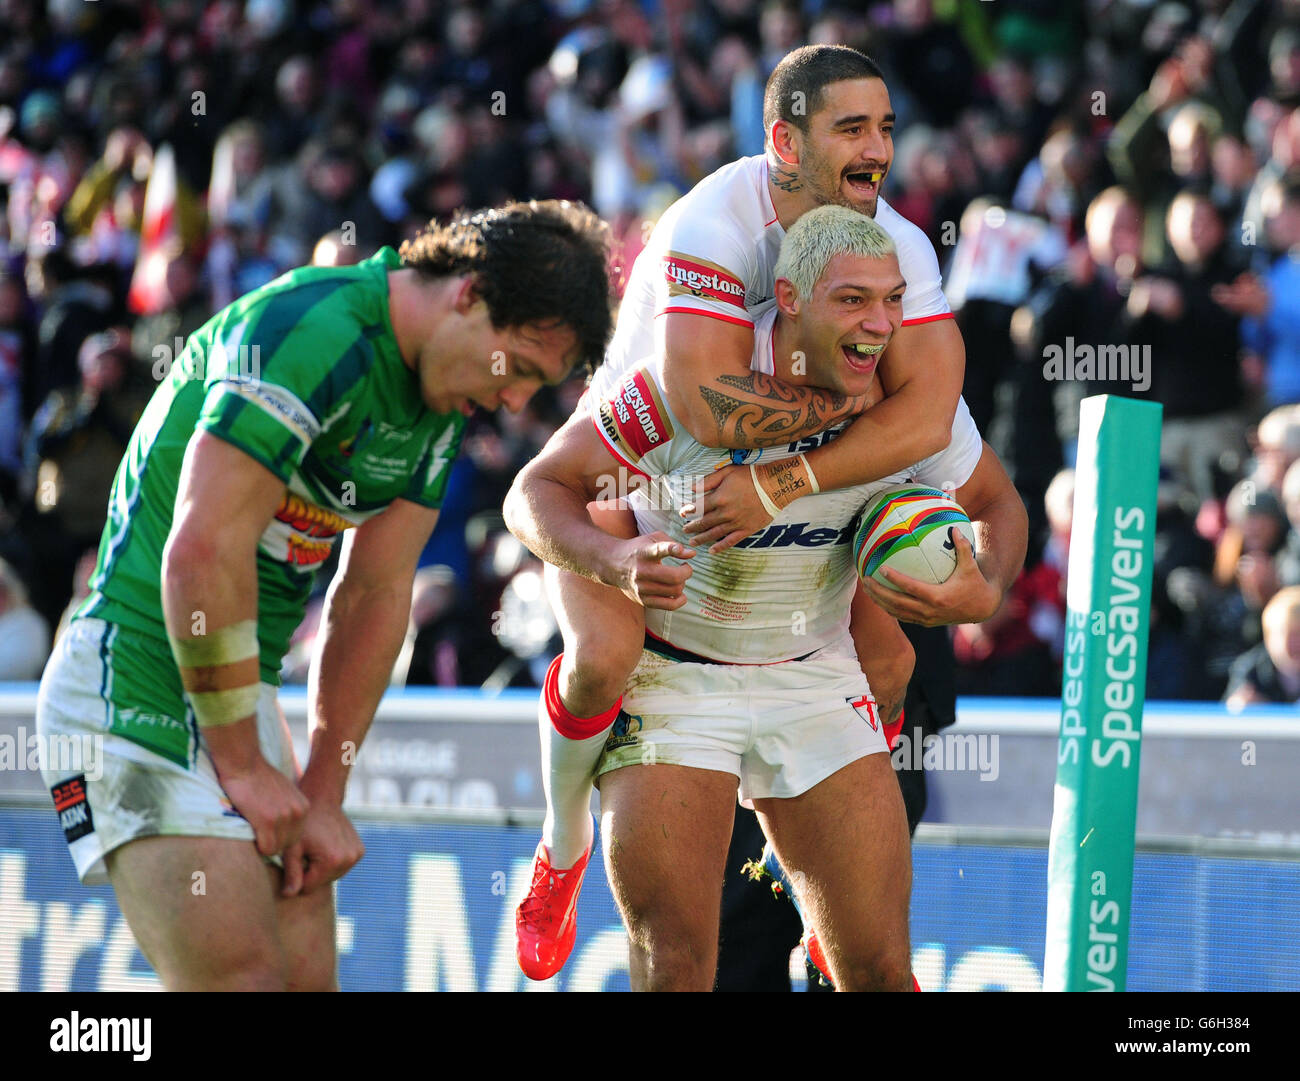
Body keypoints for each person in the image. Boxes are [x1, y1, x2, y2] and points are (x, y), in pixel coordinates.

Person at [35, 200, 612, 991]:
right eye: (519, 369)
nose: (514, 403)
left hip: (239, 698)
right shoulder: (317, 327)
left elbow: (374, 594)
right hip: (131, 681)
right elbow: (201, 550)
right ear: (469, 294)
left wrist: (322, 790)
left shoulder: (438, 409)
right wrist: (243, 766)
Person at [513, 43, 967, 981]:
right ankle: (561, 849)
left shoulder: (898, 250)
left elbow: (926, 416)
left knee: (890, 654)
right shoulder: (714, 224)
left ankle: (819, 883)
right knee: (603, 655)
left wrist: (794, 480)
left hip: (784, 584)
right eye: (853, 127)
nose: (879, 148)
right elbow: (707, 401)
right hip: (641, 491)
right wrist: (845, 416)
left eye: (887, 125)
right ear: (783, 142)